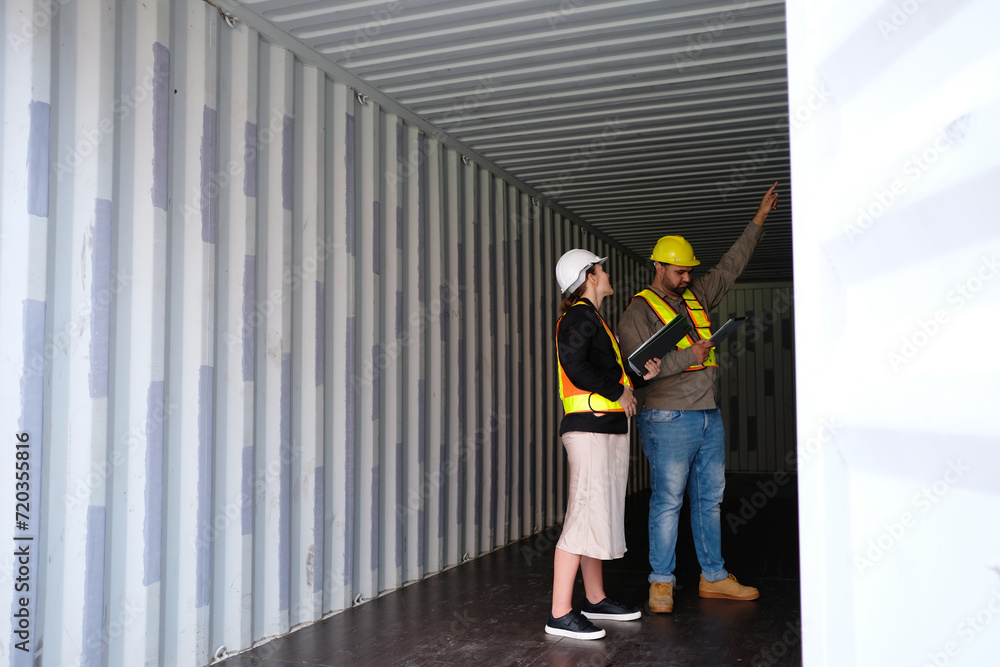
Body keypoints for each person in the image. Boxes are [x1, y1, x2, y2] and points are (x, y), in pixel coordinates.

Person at [617, 181, 780, 614]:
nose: (688, 278)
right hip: (668, 416)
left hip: (709, 415)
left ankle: (713, 577)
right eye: (679, 272)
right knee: (668, 500)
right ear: (658, 268)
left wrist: (759, 221)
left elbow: (730, 267)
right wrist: (693, 353)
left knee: (710, 499)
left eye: (689, 271)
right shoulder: (637, 312)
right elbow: (639, 372)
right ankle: (661, 583)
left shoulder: (696, 298)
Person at [545, 248, 661, 640]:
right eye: (602, 269)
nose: (607, 274)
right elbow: (575, 365)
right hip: (590, 429)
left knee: (597, 513)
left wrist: (638, 378)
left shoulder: (593, 319)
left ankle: (595, 597)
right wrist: (619, 389)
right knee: (582, 513)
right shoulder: (577, 317)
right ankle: (560, 612)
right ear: (589, 277)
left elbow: (603, 372)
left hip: (606, 427)